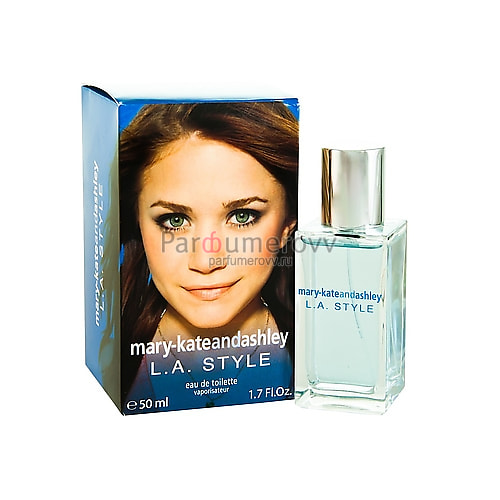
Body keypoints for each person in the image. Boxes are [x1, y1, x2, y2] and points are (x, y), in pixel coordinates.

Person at [117, 102, 298, 408]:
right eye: (174, 220)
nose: (205, 261)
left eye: (242, 216)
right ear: (138, 223)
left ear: (285, 227)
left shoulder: (320, 356)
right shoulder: (110, 355)